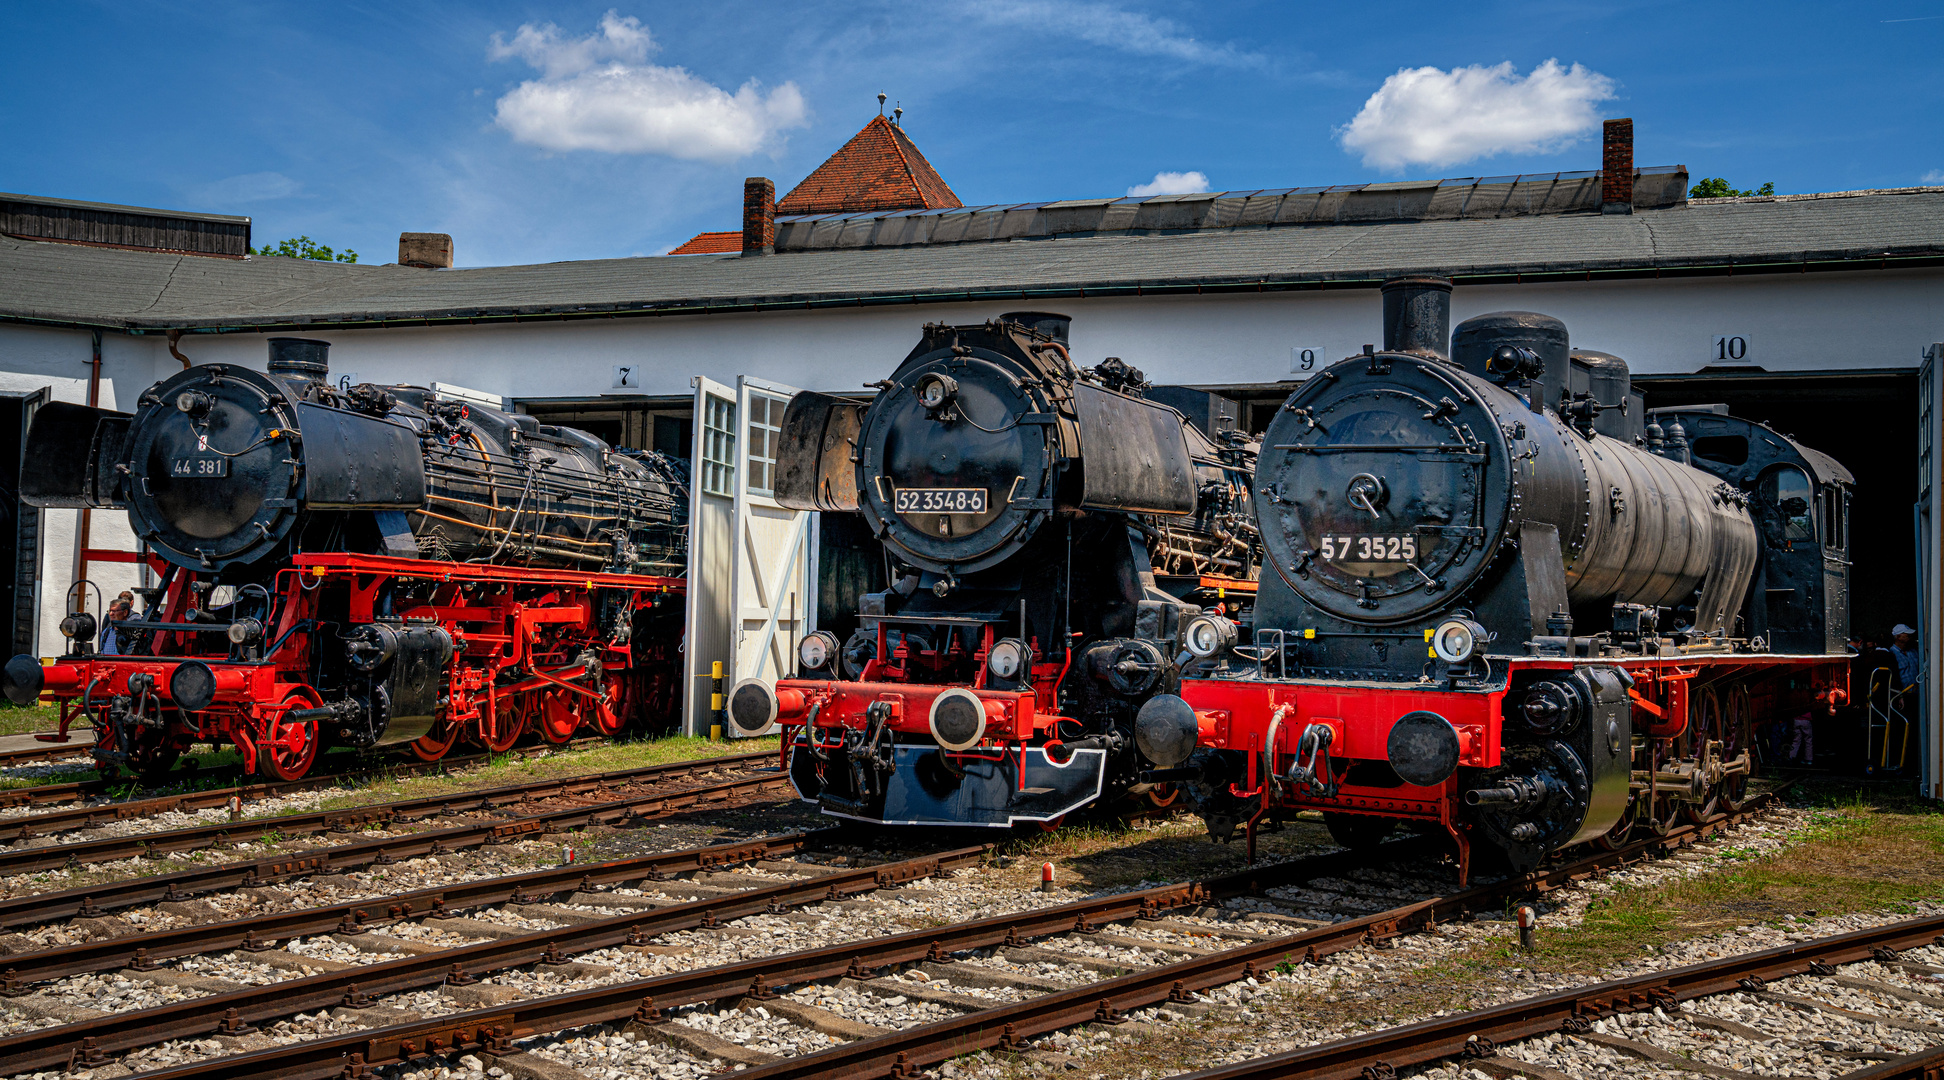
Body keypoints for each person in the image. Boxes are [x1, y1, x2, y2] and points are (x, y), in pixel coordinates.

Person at [1891, 624, 1922, 690]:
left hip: (1918, 692)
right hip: (1902, 694)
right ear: (1898, 637)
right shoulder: (1891, 654)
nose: (1909, 636)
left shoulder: (1914, 652)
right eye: (1907, 634)